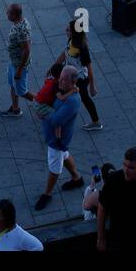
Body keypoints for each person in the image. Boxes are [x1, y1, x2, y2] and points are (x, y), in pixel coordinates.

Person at [34, 66, 84, 210]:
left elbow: (56, 121)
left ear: (73, 82)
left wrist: (43, 114)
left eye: (64, 79)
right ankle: (77, 178)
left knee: (55, 166)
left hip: (57, 140)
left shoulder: (72, 102)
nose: (60, 81)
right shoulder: (64, 91)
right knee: (64, 154)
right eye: (60, 78)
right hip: (58, 139)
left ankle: (47, 193)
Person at [56, 19, 102, 130]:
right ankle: (59, 116)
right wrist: (55, 65)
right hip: (70, 74)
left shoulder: (82, 49)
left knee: (84, 98)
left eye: (68, 30)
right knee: (62, 93)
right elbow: (65, 53)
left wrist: (92, 86)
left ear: (74, 33)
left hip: (80, 78)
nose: (65, 31)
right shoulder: (70, 41)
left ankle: (96, 122)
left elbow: (89, 70)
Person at [2, 4, 32, 118]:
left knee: (22, 91)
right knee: (13, 86)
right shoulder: (20, 22)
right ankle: (15, 109)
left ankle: (45, 102)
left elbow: (26, 50)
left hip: (19, 65)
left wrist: (19, 70)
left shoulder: (21, 29)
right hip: (13, 61)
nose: (6, 14)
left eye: (8, 12)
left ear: (14, 15)